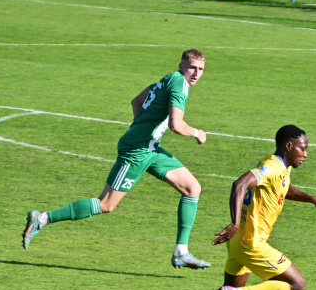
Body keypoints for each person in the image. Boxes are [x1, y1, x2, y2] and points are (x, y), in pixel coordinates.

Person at [23, 49, 212, 270]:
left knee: (192, 188)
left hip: (150, 148)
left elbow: (136, 101)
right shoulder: (179, 84)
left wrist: (143, 126)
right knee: (106, 204)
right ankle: (42, 218)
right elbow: (176, 125)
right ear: (181, 65)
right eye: (192, 67)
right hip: (136, 150)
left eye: (200, 69)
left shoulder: (168, 79)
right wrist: (197, 133)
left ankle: (182, 252)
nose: (196, 73)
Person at [165, 125, 316, 290]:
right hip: (252, 242)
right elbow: (239, 184)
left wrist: (313, 200)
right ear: (289, 146)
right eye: (303, 148)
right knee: (297, 285)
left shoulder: (281, 167)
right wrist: (235, 222)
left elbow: (283, 188)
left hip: (239, 243)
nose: (306, 154)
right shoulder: (272, 166)